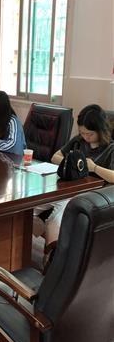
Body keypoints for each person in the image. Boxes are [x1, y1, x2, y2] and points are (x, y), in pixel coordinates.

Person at [36, 104, 114, 244]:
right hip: (68, 187)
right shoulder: (79, 141)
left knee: (57, 218)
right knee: (30, 208)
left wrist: (94, 168)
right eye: (82, 133)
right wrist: (72, 161)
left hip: (89, 194)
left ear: (100, 130)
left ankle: (53, 252)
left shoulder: (110, 149)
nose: (85, 137)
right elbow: (55, 157)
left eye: (90, 134)